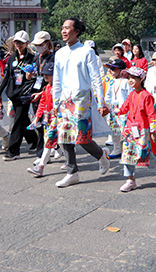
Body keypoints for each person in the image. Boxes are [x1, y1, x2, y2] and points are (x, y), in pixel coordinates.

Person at [51, 18, 111, 187]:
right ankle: (72, 172)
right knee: (65, 136)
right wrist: (56, 103)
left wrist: (101, 102)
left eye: (67, 28)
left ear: (76, 31)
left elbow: (96, 78)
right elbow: (57, 79)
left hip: (82, 99)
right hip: (65, 99)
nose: (63, 31)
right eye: (62, 27)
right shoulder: (60, 53)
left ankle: (101, 155)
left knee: (82, 137)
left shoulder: (86, 52)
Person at [115, 66, 156, 191]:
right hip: (130, 130)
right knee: (128, 154)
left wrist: (153, 131)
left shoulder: (147, 96)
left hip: (142, 130)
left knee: (144, 154)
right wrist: (117, 111)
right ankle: (130, 180)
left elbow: (150, 115)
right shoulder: (131, 94)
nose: (130, 80)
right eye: (129, 78)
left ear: (141, 79)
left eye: (133, 77)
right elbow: (125, 108)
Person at [0, 31, 38, 161]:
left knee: (18, 122)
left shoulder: (32, 59)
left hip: (25, 95)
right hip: (13, 94)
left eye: (21, 42)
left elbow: (35, 79)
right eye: (16, 42)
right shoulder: (11, 58)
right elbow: (7, 77)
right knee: (23, 119)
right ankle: (34, 140)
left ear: (27, 43)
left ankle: (13, 150)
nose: (18, 44)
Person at [27, 62, 58, 177]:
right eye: (44, 74)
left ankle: (40, 167)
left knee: (49, 140)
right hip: (48, 118)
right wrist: (36, 119)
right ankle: (62, 154)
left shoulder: (60, 88)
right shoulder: (46, 88)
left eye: (48, 74)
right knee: (52, 140)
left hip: (58, 117)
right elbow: (42, 104)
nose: (45, 76)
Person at [30, 30, 56, 161]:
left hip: (49, 95)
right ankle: (48, 151)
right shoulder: (36, 57)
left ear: (47, 44)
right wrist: (28, 76)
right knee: (40, 124)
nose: (38, 47)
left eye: (40, 44)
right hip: (37, 95)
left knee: (49, 125)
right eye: (36, 45)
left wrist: (43, 92)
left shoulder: (54, 57)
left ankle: (42, 155)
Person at [102, 58, 132, 158]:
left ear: (120, 70)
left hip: (124, 110)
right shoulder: (111, 82)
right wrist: (105, 105)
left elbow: (129, 96)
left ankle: (129, 149)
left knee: (125, 130)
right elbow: (108, 95)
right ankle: (117, 149)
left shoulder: (126, 82)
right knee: (114, 131)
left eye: (113, 69)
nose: (111, 71)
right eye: (110, 69)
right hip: (113, 110)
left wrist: (129, 108)